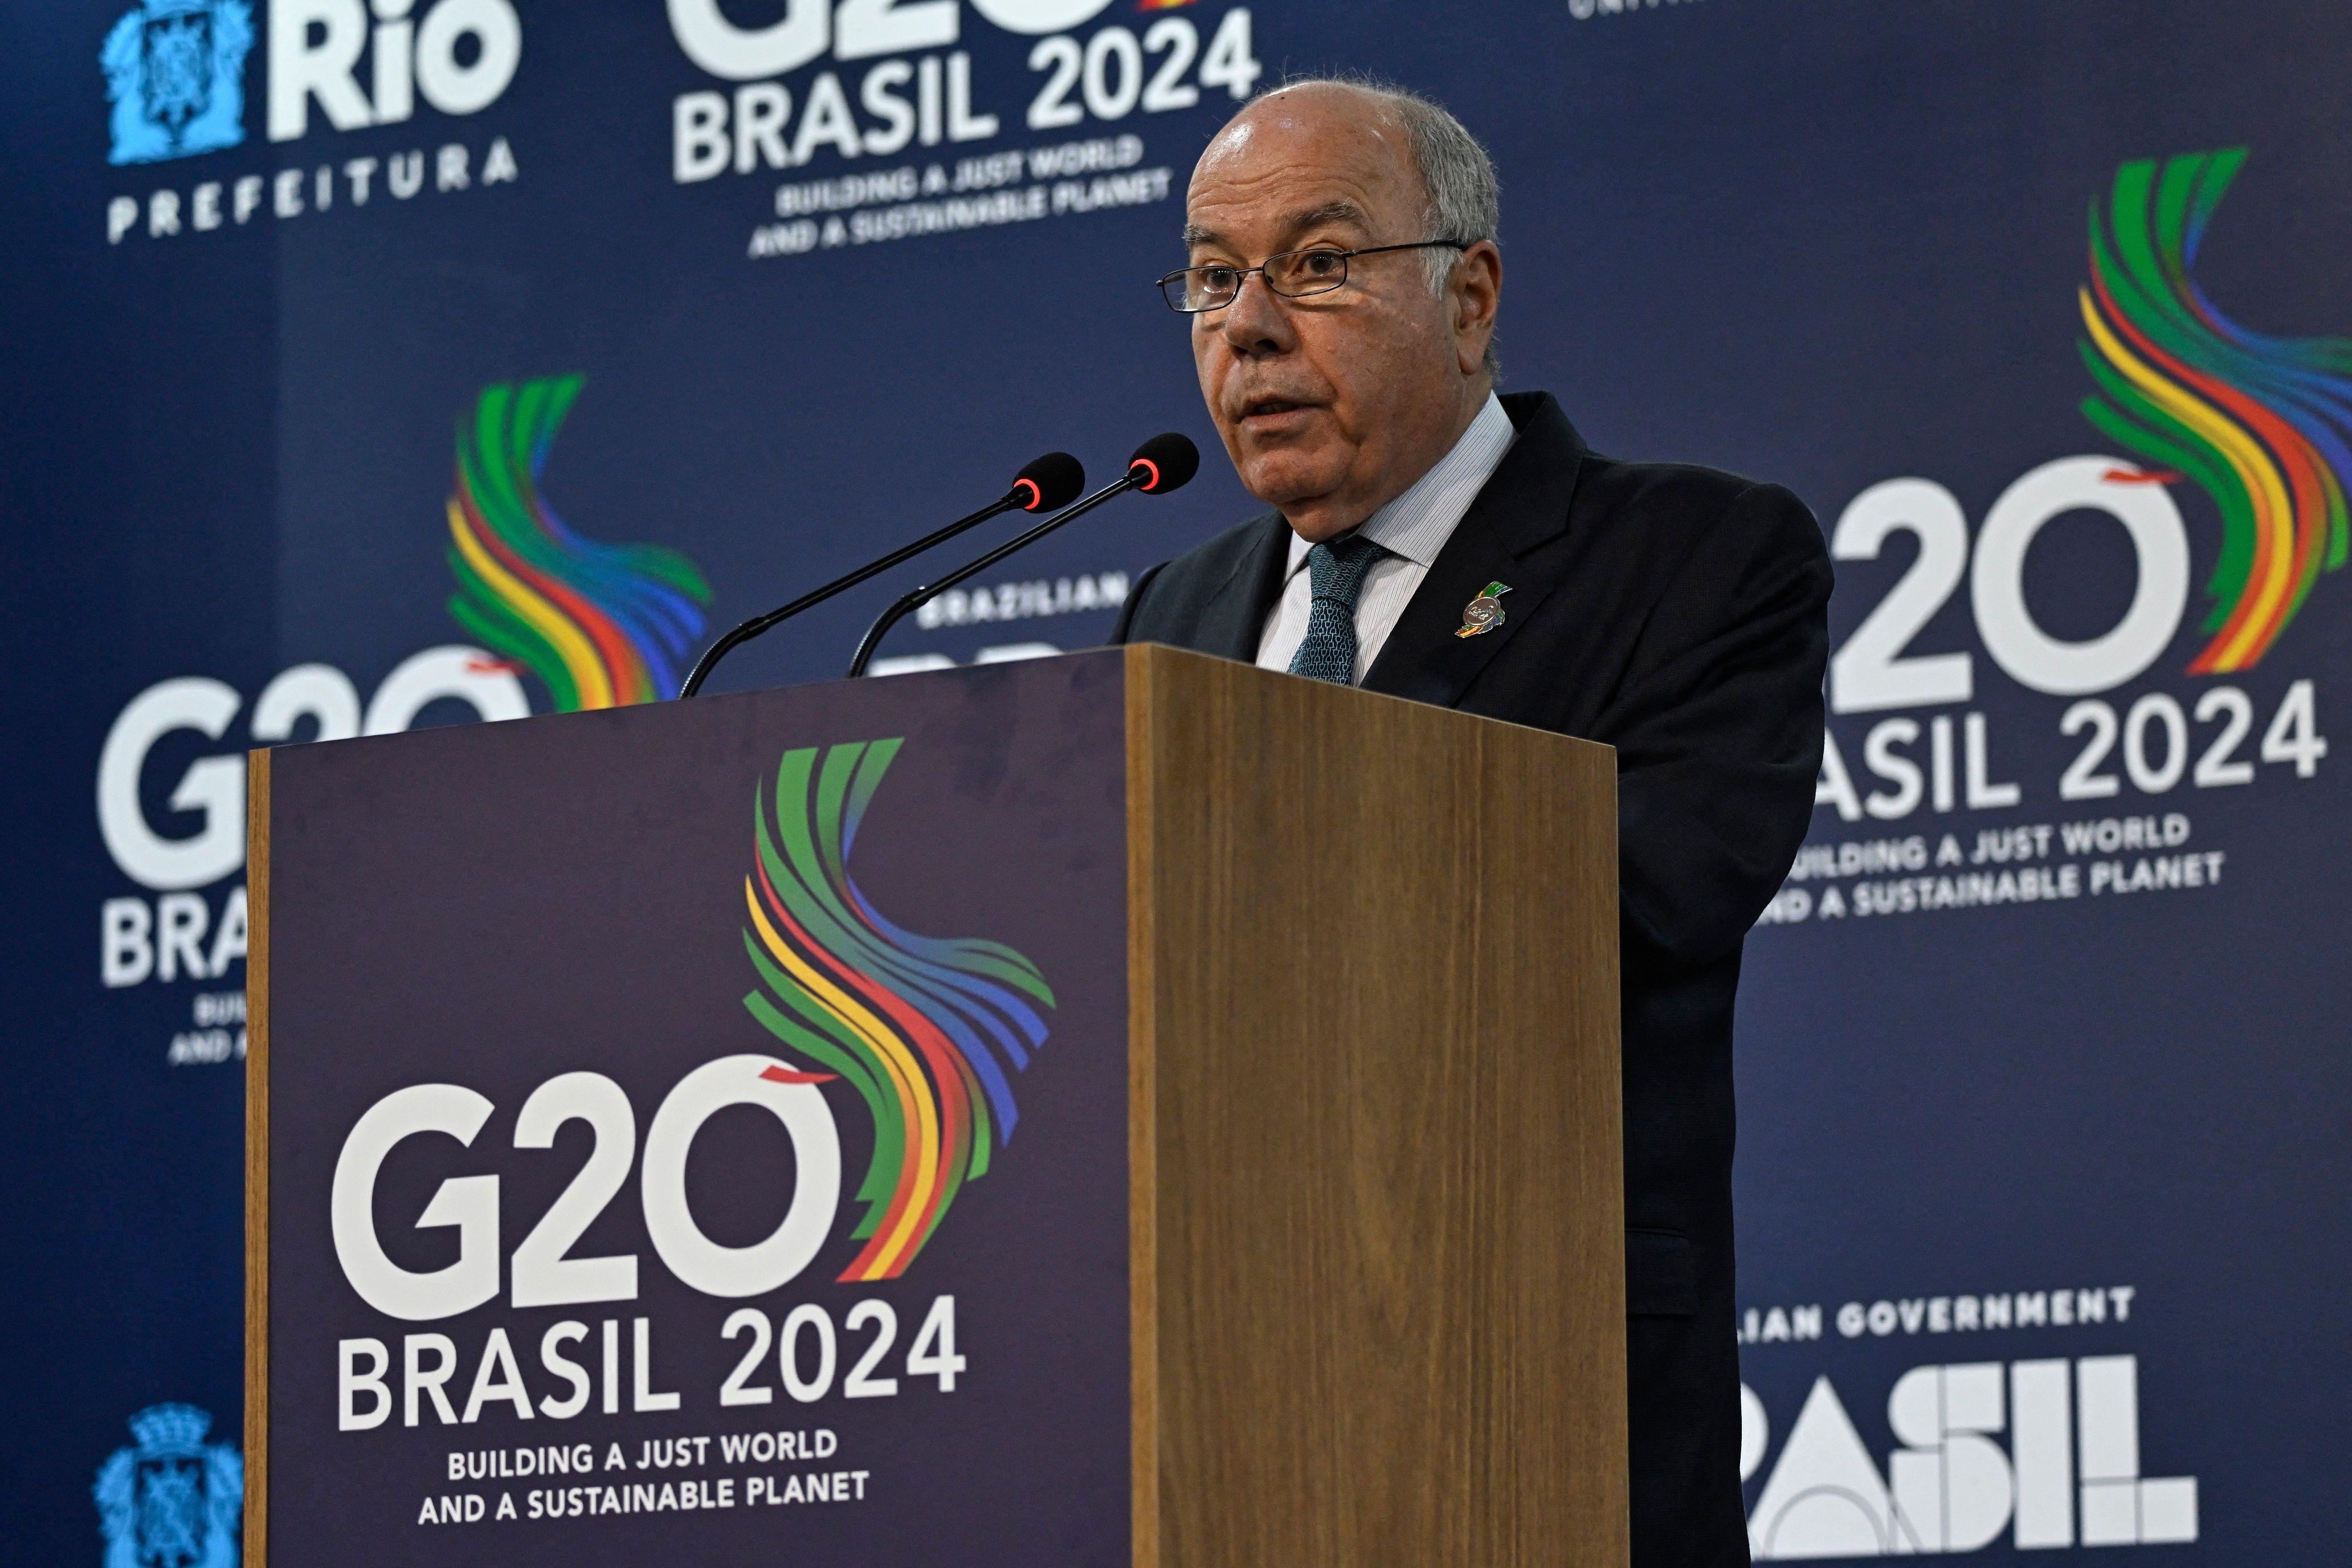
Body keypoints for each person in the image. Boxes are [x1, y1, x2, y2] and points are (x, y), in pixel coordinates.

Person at [1111, 78, 1831, 1567]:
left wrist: (1285, 866)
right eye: (1210, 278)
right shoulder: (1171, 616)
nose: (1245, 329)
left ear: (1471, 297)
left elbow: (1671, 884)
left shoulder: (1695, 556)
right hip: (1212, 1395)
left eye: (1314, 265)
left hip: (1531, 1382)